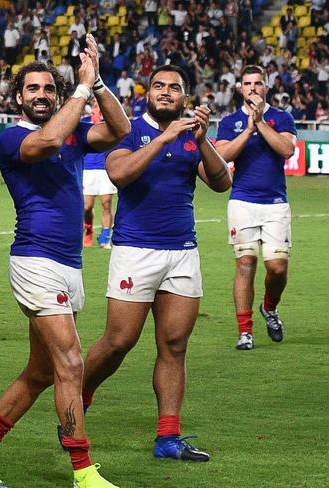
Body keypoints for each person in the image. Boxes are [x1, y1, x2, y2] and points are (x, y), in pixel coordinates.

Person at [0, 34, 130, 488]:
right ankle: (83, 470)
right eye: (32, 89)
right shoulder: (12, 140)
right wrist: (79, 91)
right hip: (34, 261)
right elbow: (51, 138)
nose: (41, 95)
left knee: (41, 371)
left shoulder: (75, 130)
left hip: (69, 265)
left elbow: (119, 130)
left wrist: (96, 83)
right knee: (71, 362)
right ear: (18, 98)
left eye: (47, 89)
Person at [80, 65, 232, 462]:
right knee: (119, 342)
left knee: (174, 345)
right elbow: (119, 174)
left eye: (174, 88)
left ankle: (168, 437)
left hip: (183, 251)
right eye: (158, 86)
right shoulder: (127, 129)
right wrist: (163, 138)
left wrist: (202, 141)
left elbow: (221, 183)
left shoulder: (190, 136)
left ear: (185, 97)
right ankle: (78, 394)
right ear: (147, 93)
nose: (165, 92)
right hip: (136, 250)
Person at [215, 65, 296, 351]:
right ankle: (245, 331)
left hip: (275, 203)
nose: (252, 88)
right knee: (245, 264)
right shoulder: (229, 122)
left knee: (277, 268)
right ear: (240, 88)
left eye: (258, 83)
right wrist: (248, 128)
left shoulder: (281, 117)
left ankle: (270, 308)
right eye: (247, 83)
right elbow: (221, 155)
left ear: (266, 87)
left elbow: (287, 150)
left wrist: (259, 122)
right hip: (242, 202)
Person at [82, 98, 117, 249]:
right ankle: (88, 230)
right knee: (87, 206)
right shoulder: (84, 121)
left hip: (106, 167)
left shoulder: (111, 121)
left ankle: (105, 237)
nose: (98, 107)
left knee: (106, 203)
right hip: (88, 168)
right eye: (96, 104)